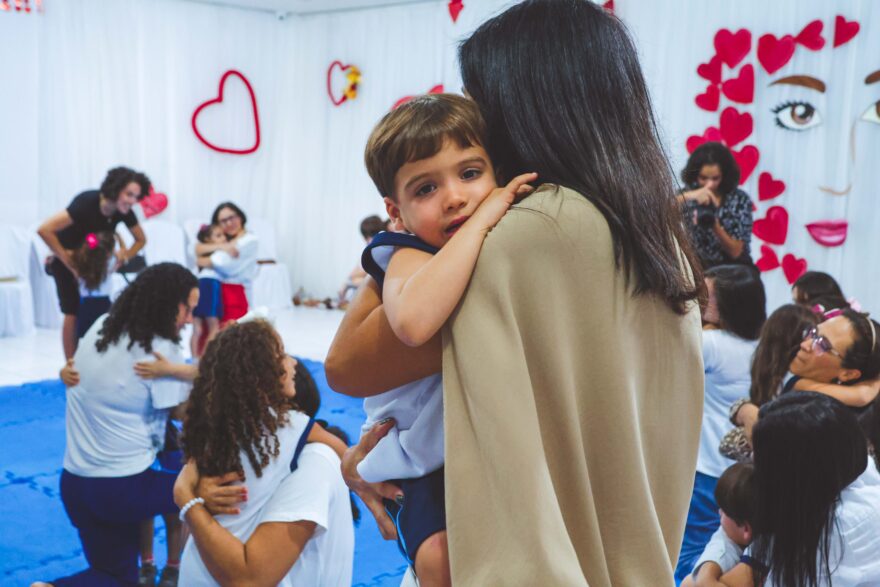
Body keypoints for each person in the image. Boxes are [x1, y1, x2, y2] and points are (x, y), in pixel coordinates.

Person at [326, 1, 705, 584]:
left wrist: (401, 245)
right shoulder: (656, 234)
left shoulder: (530, 232)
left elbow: (349, 364)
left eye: (481, 98)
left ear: (523, 103)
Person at [356, 92, 535, 585]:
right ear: (396, 212)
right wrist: (484, 218)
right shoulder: (406, 252)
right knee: (439, 558)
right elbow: (414, 323)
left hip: (480, 446)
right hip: (421, 457)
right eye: (426, 188)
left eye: (470, 173)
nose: (454, 197)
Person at [31, 263, 197, 587]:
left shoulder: (103, 325)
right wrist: (201, 376)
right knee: (213, 489)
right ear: (167, 303)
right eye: (187, 309)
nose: (190, 319)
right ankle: (191, 572)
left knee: (113, 577)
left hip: (76, 485)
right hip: (122, 489)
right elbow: (182, 413)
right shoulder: (162, 346)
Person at [173, 319, 354, 587]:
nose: (293, 362)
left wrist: (189, 494)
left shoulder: (217, 431)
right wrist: (366, 487)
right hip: (224, 567)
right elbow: (339, 449)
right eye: (282, 356)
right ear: (262, 375)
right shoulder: (291, 426)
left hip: (196, 570)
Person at [718, 393, 880, 586]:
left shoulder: (839, 532)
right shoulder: (841, 471)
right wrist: (708, 565)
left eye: (762, 455)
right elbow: (730, 524)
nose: (753, 457)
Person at [676, 265, 765, 582]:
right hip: (735, 465)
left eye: (708, 296)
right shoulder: (761, 345)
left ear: (730, 305)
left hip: (706, 464)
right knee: (718, 548)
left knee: (689, 550)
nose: (700, 301)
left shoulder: (711, 343)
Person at [38, 166, 150, 358]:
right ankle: (71, 366)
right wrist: (68, 261)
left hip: (90, 259)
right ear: (115, 189)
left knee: (97, 311)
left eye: (136, 197)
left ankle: (94, 361)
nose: (133, 201)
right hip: (65, 260)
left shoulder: (123, 211)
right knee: (72, 310)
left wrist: (124, 256)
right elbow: (45, 230)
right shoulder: (87, 202)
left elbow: (141, 240)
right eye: (129, 194)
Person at [733, 310, 880, 442]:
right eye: (813, 332)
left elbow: (862, 396)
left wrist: (745, 411)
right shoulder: (797, 383)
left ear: (848, 373)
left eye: (822, 345)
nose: (805, 344)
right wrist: (744, 409)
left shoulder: (824, 418)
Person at [678, 142, 753, 268]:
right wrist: (690, 195)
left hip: (732, 269)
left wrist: (714, 224)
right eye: (703, 178)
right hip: (696, 266)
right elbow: (660, 211)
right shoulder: (687, 194)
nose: (709, 185)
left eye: (715, 178)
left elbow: (735, 253)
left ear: (724, 175)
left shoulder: (739, 200)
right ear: (695, 175)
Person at [681, 463, 754, 587]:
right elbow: (703, 580)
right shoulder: (724, 544)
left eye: (724, 512)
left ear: (746, 529)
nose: (719, 513)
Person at [197, 202, 258, 324]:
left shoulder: (250, 240)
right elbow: (196, 249)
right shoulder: (226, 240)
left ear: (240, 216)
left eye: (232, 217)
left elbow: (223, 264)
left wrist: (204, 257)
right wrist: (223, 246)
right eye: (223, 221)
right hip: (216, 293)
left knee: (231, 331)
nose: (229, 223)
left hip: (236, 294)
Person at [69, 231, 117, 339]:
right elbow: (120, 251)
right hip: (104, 305)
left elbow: (89, 240)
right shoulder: (110, 263)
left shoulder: (79, 263)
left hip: (85, 305)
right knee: (103, 336)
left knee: (84, 337)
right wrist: (117, 235)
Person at [337, 215, 387, 307]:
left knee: (359, 280)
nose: (366, 240)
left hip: (380, 285)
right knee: (355, 280)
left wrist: (347, 283)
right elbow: (354, 273)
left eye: (369, 236)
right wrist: (347, 283)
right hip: (369, 285)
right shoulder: (370, 249)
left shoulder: (380, 248)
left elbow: (364, 271)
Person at [191, 224, 225, 358]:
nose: (223, 238)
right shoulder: (220, 253)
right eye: (219, 235)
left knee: (197, 329)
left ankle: (194, 358)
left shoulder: (199, 253)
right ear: (207, 239)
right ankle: (204, 360)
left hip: (198, 284)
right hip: (211, 285)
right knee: (214, 327)